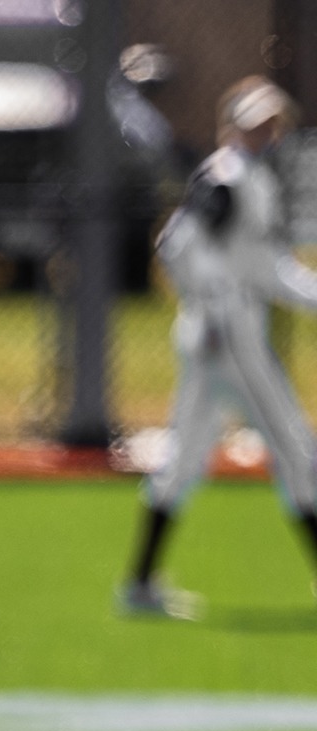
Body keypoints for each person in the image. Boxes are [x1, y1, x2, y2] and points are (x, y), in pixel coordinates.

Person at [121, 76, 317, 618]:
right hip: (228, 334)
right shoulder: (229, 176)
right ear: (231, 125)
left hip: (212, 334)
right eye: (255, 123)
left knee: (185, 455)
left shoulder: (246, 176)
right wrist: (212, 301)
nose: (266, 133)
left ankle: (140, 583)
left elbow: (267, 269)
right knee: (295, 448)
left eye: (270, 123)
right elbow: (178, 244)